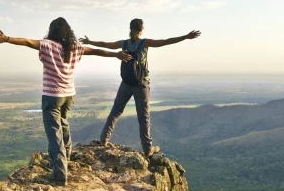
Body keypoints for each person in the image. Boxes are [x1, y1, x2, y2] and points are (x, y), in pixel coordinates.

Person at [0, 18, 131, 185]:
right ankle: (66, 156)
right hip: (69, 95)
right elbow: (95, 51)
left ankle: (60, 175)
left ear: (52, 31)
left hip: (52, 95)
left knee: (54, 134)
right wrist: (116, 54)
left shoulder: (48, 45)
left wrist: (7, 39)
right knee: (63, 123)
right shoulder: (75, 47)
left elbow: (27, 42)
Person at [82, 19, 200, 156]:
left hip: (126, 83)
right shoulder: (144, 43)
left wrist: (89, 42)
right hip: (141, 84)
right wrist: (185, 37)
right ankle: (148, 148)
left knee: (115, 111)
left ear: (130, 29)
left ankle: (104, 139)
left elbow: (105, 45)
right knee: (143, 117)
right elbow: (165, 41)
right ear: (141, 30)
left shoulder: (123, 43)